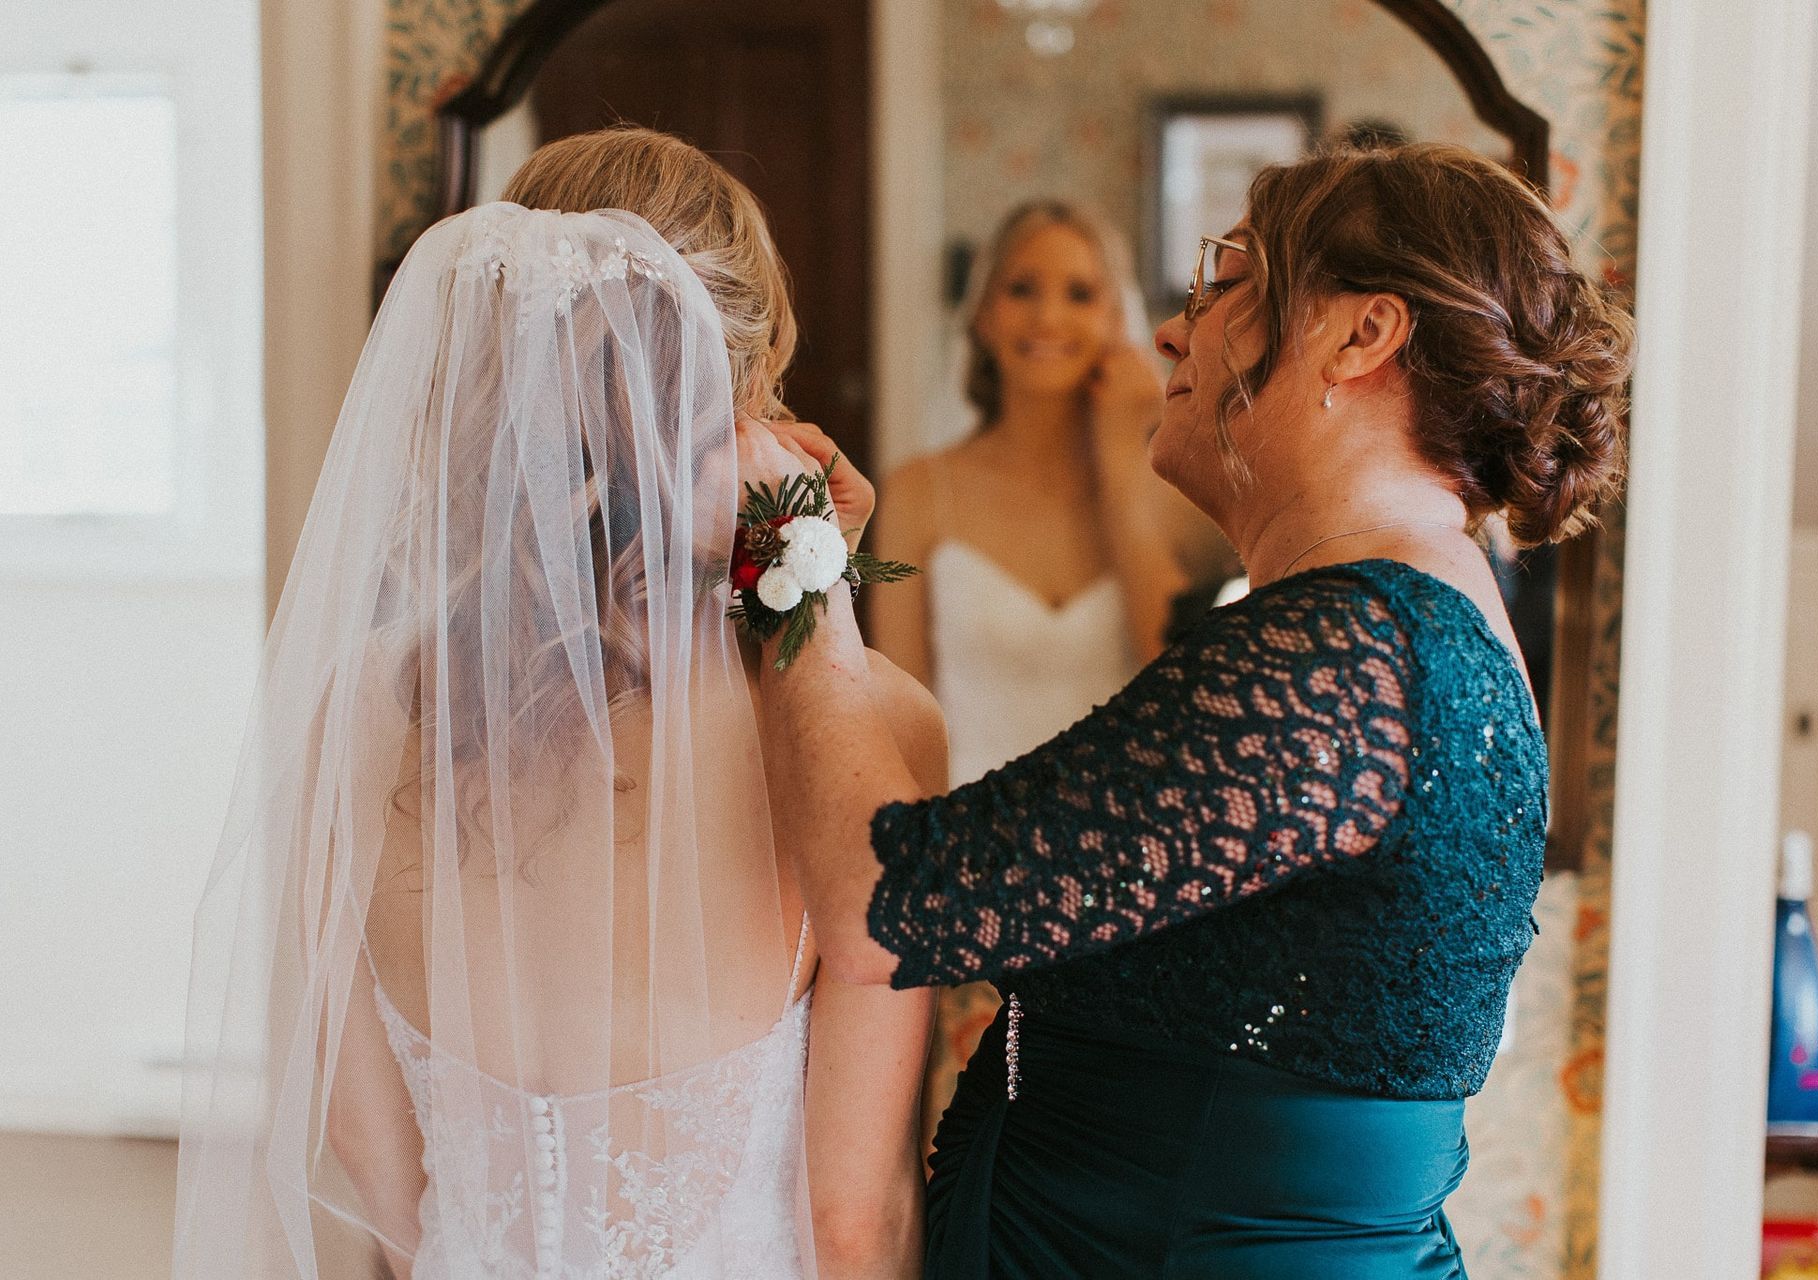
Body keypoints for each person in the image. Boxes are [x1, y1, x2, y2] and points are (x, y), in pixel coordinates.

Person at [748, 142, 1632, 1278]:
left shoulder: (1347, 653)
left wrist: (792, 561)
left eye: (1227, 281)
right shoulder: (1396, 626)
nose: (1172, 330)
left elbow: (885, 902)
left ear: (1361, 335)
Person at [172, 127, 940, 1280]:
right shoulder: (875, 731)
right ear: (748, 381)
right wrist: (808, 583)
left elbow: (373, 1165)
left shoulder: (361, 710)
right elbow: (853, 1216)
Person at [870, 200, 1211, 1148]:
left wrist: (1118, 462)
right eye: (1022, 288)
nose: (1048, 317)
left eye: (1080, 292)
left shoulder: (1173, 504)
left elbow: (1171, 677)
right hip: (962, 885)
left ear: (1119, 320)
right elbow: (897, 717)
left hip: (1123, 896)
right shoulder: (917, 493)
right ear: (982, 314)